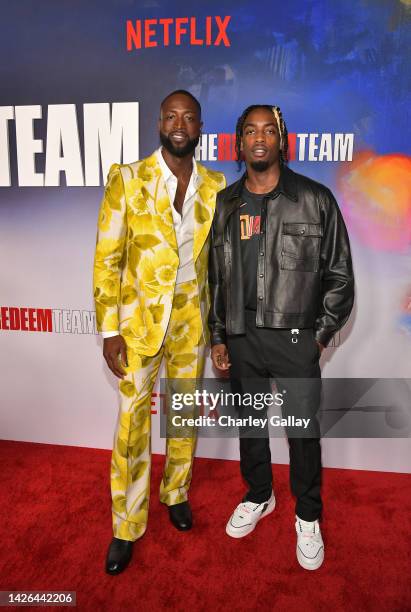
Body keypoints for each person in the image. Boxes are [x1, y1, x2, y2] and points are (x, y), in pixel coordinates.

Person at [208, 104, 354, 570]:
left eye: (268, 131)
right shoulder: (226, 203)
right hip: (241, 336)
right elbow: (216, 275)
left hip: (296, 338)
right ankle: (259, 494)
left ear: (282, 140)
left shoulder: (316, 199)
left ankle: (308, 515)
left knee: (303, 433)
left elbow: (340, 277)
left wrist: (318, 336)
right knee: (251, 427)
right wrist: (218, 335)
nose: (259, 138)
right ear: (238, 142)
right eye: (249, 131)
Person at [93, 90, 226, 575]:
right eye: (171, 116)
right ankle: (125, 525)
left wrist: (218, 327)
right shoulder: (127, 179)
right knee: (132, 423)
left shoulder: (215, 184)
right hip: (137, 322)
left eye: (188, 118)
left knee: (184, 411)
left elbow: (218, 264)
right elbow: (108, 258)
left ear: (199, 127)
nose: (179, 124)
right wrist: (110, 329)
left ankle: (175, 492)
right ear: (158, 123)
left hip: (192, 315)